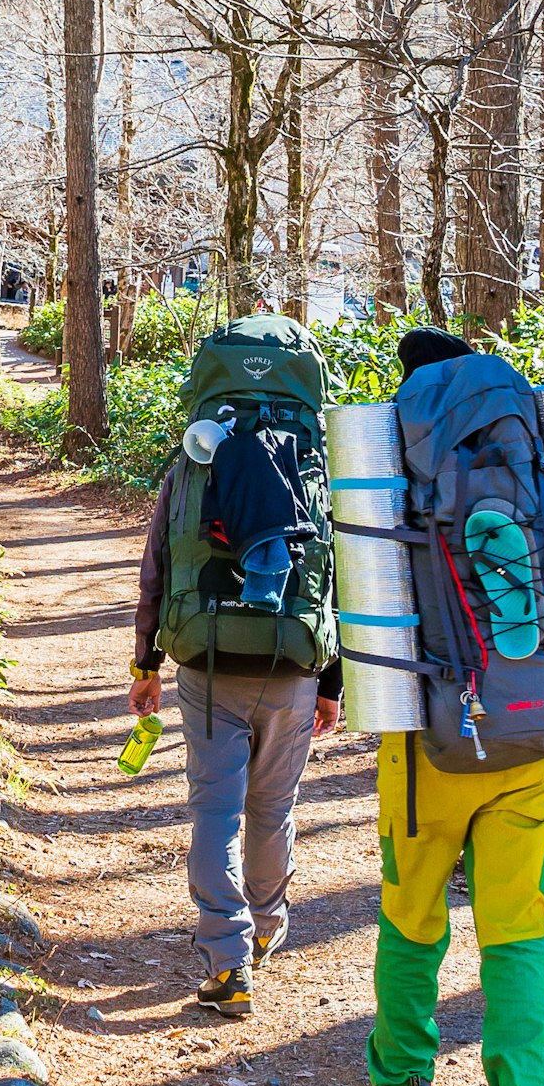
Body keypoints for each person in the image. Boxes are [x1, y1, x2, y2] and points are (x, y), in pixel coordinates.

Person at [362, 323, 544, 1086]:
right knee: (517, 936)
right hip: (535, 737)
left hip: (431, 747)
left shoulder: (387, 460)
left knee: (413, 921)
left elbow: (368, 615)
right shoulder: (535, 441)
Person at [128, 312, 340, 1018]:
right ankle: (267, 927)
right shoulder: (314, 461)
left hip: (209, 656)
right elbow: (335, 571)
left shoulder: (193, 460)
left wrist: (145, 663)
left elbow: (157, 567)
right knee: (273, 808)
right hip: (294, 661)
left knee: (215, 808)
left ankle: (227, 961)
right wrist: (331, 680)